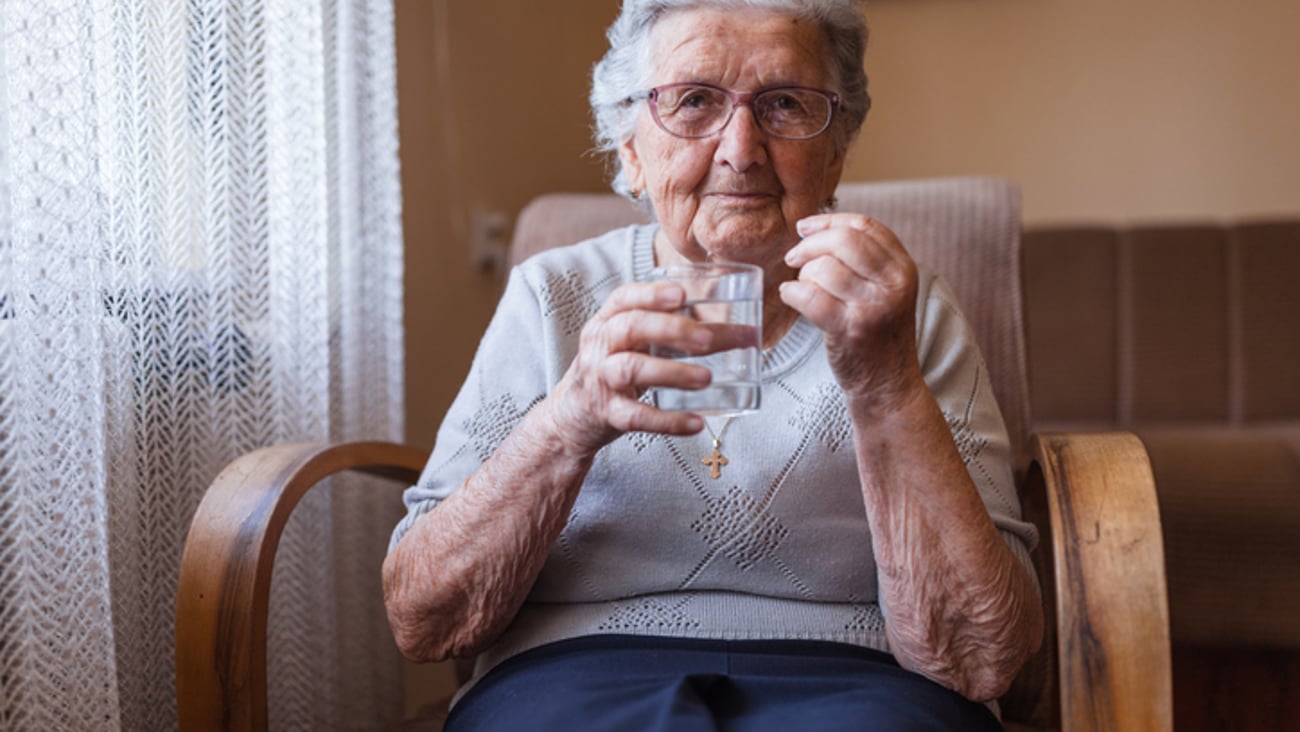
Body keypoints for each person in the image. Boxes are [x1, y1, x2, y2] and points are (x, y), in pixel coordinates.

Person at [383, 0, 1043, 729]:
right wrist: (568, 419)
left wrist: (886, 385)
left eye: (785, 104)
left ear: (839, 146)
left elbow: (986, 656)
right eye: (694, 101)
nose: (741, 148)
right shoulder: (553, 297)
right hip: (572, 674)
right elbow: (425, 621)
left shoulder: (903, 312)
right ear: (631, 146)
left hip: (861, 682)